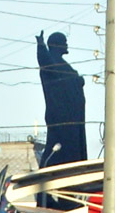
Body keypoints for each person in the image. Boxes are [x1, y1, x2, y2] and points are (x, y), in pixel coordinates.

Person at [35, 30, 87, 168]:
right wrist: (41, 46)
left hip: (72, 118)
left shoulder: (62, 64)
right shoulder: (51, 61)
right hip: (60, 116)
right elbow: (45, 63)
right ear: (56, 45)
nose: (66, 44)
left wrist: (77, 81)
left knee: (72, 149)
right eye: (64, 42)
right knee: (58, 146)